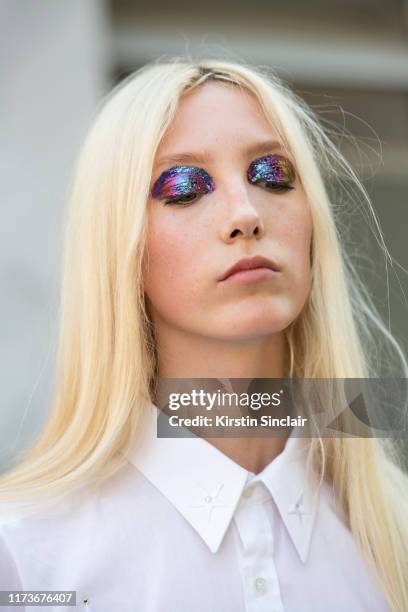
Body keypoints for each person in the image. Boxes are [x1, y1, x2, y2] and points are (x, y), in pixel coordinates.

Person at [0, 57, 407, 612]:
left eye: (272, 176)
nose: (245, 214)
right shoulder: (25, 556)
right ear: (120, 245)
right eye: (185, 187)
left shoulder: (393, 534)